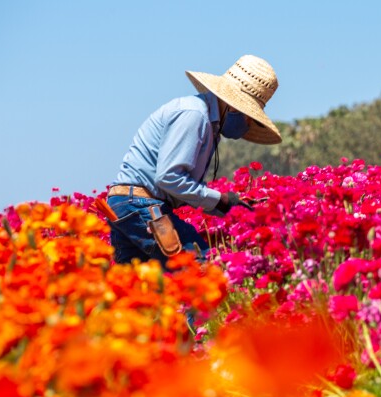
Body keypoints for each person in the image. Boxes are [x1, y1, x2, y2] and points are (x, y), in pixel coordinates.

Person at [105, 55, 282, 265]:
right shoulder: (194, 115)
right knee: (202, 269)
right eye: (249, 118)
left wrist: (227, 205)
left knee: (142, 288)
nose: (248, 124)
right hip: (141, 204)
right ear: (234, 106)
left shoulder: (207, 121)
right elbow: (169, 177)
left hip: (128, 204)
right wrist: (221, 200)